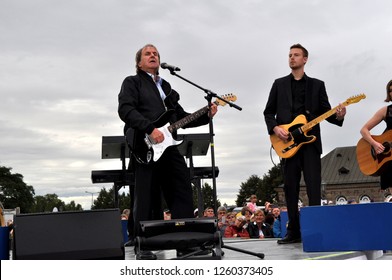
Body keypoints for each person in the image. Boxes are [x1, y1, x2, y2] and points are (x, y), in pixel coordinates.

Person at [118, 44, 218, 259]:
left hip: (169, 146)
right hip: (145, 145)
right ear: (139, 62)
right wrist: (149, 128)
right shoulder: (132, 82)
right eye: (148, 53)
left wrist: (205, 115)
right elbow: (125, 109)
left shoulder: (168, 88)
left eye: (156, 53)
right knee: (146, 196)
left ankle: (186, 242)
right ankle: (143, 246)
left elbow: (181, 118)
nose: (153, 55)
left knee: (182, 187)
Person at [263, 43, 346, 244]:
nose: (291, 58)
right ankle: (294, 232)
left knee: (313, 187)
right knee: (290, 189)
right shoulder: (279, 84)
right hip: (287, 143)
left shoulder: (317, 85)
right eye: (290, 55)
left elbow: (326, 112)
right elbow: (268, 112)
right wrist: (276, 128)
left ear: (305, 59)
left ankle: (315, 231)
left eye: (296, 55)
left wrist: (339, 115)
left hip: (310, 144)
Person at [360, 79, 392, 192]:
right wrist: (374, 144)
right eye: (390, 91)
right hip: (388, 161)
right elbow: (364, 130)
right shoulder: (385, 111)